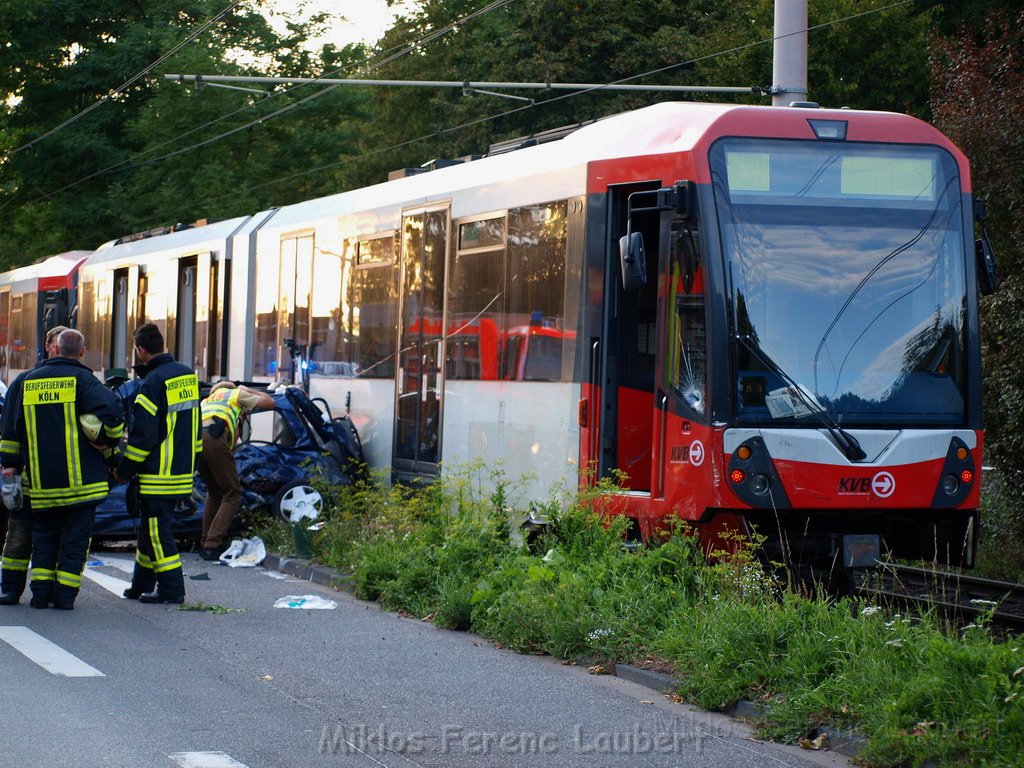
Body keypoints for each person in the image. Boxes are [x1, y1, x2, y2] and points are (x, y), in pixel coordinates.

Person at [0, 329, 124, 609]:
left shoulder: (26, 381)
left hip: (42, 484)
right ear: (81, 352)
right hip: (81, 486)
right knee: (75, 542)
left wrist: (10, 467)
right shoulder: (86, 381)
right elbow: (115, 417)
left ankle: (38, 595)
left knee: (41, 539)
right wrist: (106, 442)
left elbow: (10, 429)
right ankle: (65, 597)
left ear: (53, 348)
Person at [116, 324, 201, 604]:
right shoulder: (186, 375)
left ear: (140, 350)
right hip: (181, 471)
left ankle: (171, 589)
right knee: (147, 529)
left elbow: (142, 438)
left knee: (156, 532)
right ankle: (140, 584)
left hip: (157, 475)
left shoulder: (151, 383)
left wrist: (124, 470)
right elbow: (195, 426)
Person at [1, 325, 70, 606]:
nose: (59, 349)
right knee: (18, 535)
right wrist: (10, 466)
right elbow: (10, 428)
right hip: (30, 477)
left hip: (63, 479)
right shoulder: (26, 381)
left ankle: (48, 588)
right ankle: (11, 589)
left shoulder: (80, 382)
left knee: (55, 537)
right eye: (56, 344)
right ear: (48, 346)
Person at [196, 381, 275, 560]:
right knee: (233, 494)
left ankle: (205, 541)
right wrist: (246, 390)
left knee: (214, 492)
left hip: (195, 444)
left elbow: (232, 437)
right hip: (213, 440)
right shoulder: (235, 395)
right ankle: (212, 545)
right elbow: (270, 403)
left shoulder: (206, 401)